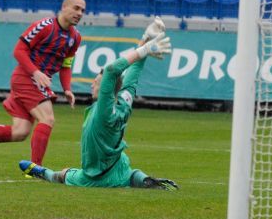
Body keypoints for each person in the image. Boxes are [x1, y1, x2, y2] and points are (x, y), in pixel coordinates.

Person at [19, 18, 179, 190]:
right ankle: (143, 179)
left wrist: (146, 49)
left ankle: (41, 172)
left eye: (95, 82)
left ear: (104, 88)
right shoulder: (124, 100)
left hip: (96, 177)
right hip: (120, 170)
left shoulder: (104, 110)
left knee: (64, 174)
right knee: (129, 174)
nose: (91, 84)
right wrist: (146, 39)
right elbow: (134, 69)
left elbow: (111, 71)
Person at [0, 0, 86, 165]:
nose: (79, 13)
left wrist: (67, 89)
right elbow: (19, 51)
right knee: (47, 119)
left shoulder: (75, 37)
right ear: (64, 7)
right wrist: (35, 72)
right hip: (27, 78)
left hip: (36, 80)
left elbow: (66, 65)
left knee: (20, 132)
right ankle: (36, 168)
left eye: (83, 10)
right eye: (76, 8)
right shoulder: (45, 26)